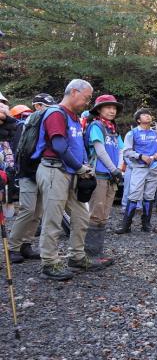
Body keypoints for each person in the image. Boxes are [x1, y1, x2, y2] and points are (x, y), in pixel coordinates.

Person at [32, 79, 103, 281]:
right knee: (53, 218)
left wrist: (82, 167)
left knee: (81, 215)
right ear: (74, 92)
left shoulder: (73, 117)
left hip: (72, 173)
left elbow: (74, 146)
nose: (87, 102)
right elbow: (59, 146)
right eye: (87, 97)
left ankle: (77, 257)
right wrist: (80, 167)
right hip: (54, 170)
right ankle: (49, 262)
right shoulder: (56, 113)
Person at [7, 93, 56, 264]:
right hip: (28, 172)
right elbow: (19, 150)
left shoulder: (49, 124)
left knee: (37, 212)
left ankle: (26, 244)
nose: (48, 111)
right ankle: (13, 247)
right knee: (27, 209)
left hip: (43, 171)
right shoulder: (26, 125)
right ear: (37, 106)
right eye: (45, 107)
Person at [85, 95, 124, 265]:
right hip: (100, 175)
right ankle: (89, 255)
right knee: (95, 214)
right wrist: (114, 169)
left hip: (112, 176)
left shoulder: (113, 129)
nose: (112, 110)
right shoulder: (96, 126)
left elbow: (122, 149)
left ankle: (97, 253)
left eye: (114, 107)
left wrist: (120, 169)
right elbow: (99, 151)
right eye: (107, 107)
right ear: (99, 109)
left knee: (104, 215)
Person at [118, 108, 157, 234]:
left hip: (154, 167)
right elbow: (127, 151)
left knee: (149, 196)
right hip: (139, 167)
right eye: (144, 115)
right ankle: (126, 225)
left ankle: (146, 224)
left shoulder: (156, 134)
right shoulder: (132, 133)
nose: (148, 116)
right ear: (138, 120)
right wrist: (140, 156)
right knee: (134, 195)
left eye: (149, 114)